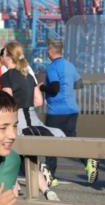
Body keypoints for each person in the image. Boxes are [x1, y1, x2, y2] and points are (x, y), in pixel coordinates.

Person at [0, 41, 60, 201]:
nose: (2, 58)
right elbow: (39, 101)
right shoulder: (28, 75)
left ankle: (14, 191)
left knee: (7, 158)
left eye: (4, 54)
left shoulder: (6, 76)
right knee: (29, 160)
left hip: (17, 122)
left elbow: (8, 101)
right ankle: (46, 191)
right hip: (32, 120)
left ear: (9, 57)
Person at [41, 39, 97, 183]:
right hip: (72, 109)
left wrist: (42, 88)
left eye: (48, 49)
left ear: (52, 51)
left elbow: (54, 88)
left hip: (56, 111)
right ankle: (88, 162)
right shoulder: (69, 65)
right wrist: (68, 87)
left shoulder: (52, 67)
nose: (47, 51)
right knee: (72, 140)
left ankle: (51, 176)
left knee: (50, 143)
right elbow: (79, 84)